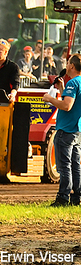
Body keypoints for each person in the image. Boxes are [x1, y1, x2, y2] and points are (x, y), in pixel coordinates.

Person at [42, 53, 81, 207]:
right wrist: (62, 89)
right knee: (76, 165)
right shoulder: (76, 83)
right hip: (77, 129)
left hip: (66, 129)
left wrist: (50, 99)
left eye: (68, 63)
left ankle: (63, 198)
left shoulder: (73, 83)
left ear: (72, 66)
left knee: (64, 166)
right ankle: (77, 196)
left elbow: (66, 106)